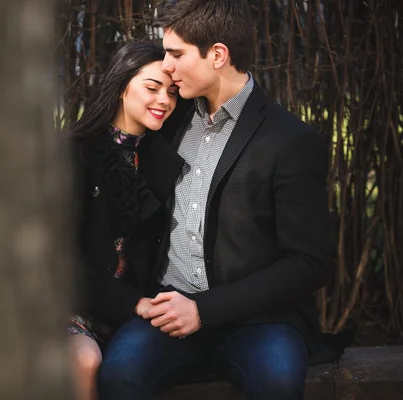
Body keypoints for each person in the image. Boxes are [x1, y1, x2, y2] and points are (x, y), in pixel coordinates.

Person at [98, 1, 333, 399]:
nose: (166, 66)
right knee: (118, 377)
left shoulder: (290, 140)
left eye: (176, 54)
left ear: (218, 55)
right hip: (166, 311)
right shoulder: (167, 122)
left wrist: (205, 311)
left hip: (259, 321)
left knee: (277, 382)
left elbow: (310, 264)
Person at [67, 40, 186, 400]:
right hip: (69, 303)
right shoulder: (74, 153)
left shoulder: (161, 160)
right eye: (151, 87)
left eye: (171, 92)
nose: (163, 100)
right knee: (84, 360)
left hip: (133, 309)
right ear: (121, 87)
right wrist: (133, 303)